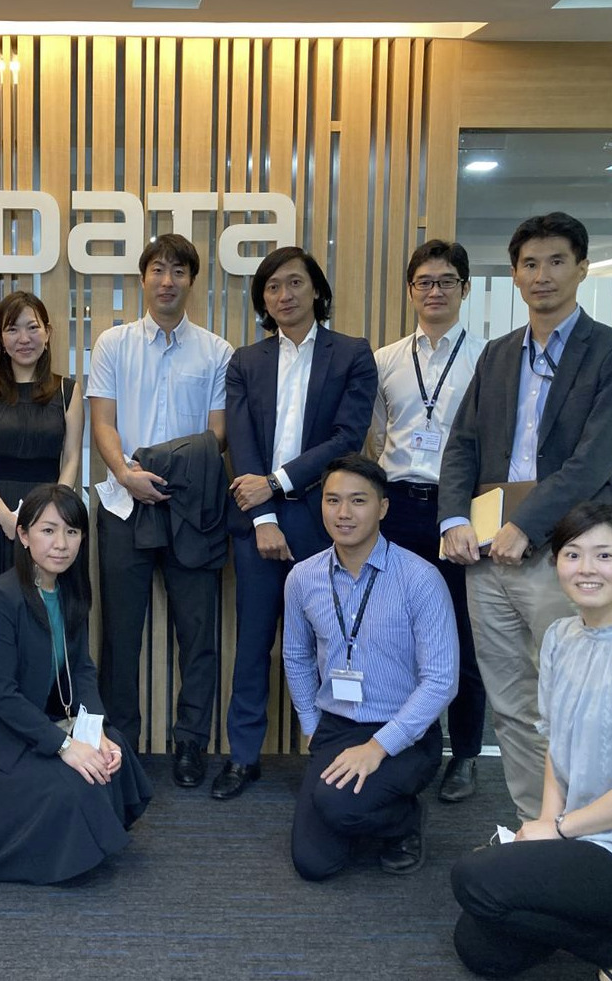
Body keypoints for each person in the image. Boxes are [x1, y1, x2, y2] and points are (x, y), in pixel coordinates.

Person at [439, 212, 612, 820]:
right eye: (530, 264)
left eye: (557, 261)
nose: (542, 275)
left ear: (582, 269)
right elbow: (462, 445)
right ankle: (537, 826)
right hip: (487, 555)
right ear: (515, 274)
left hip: (566, 552)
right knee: (510, 703)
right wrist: (453, 519)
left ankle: (586, 829)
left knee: (573, 701)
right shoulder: (498, 354)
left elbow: (592, 462)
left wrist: (527, 524)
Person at [452, 503, 612, 981]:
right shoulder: (561, 637)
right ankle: (599, 924)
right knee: (481, 949)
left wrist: (559, 831)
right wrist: (545, 825)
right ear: (556, 564)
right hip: (582, 836)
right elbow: (556, 744)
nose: (587, 568)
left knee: (473, 879)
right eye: (572, 555)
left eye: (604, 556)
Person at [0, 484, 153, 883]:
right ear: (24, 535)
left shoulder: (70, 591)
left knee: (112, 752)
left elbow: (81, 669)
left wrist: (93, 732)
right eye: (48, 530)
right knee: (70, 787)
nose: (61, 544)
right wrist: (65, 745)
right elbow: (1, 695)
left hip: (35, 723)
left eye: (72, 531)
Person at [216, 247, 377, 800]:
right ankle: (243, 757)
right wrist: (263, 514)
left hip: (324, 518)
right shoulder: (245, 361)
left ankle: (333, 754)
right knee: (253, 643)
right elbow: (241, 442)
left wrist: (277, 482)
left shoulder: (351, 354)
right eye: (272, 287)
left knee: (332, 643)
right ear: (262, 300)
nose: (283, 295)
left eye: (294, 283)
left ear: (316, 290)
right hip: (256, 520)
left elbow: (346, 438)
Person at [88, 232, 233, 787]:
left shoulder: (217, 351)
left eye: (178, 270)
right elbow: (103, 423)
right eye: (157, 269)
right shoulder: (113, 343)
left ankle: (190, 742)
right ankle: (120, 742)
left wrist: (169, 471)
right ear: (143, 278)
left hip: (192, 507)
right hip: (124, 503)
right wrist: (127, 474)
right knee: (119, 635)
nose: (167, 280)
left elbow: (217, 434)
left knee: (197, 634)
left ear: (192, 280)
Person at [284, 454, 458, 880]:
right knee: (314, 864)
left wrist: (378, 747)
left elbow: (441, 681)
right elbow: (296, 655)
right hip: (336, 726)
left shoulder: (420, 578)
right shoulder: (303, 577)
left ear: (383, 507)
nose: (343, 513)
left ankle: (404, 822)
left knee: (339, 805)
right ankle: (362, 811)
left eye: (358, 500)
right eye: (332, 500)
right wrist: (310, 724)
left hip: (405, 730)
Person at [370, 239, 487, 803]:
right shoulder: (386, 359)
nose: (434, 291)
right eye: (424, 282)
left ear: (465, 288)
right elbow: (375, 434)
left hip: (460, 509)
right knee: (398, 633)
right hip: (397, 506)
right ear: (410, 290)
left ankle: (464, 753)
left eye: (446, 281)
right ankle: (407, 744)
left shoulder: (489, 358)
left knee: (463, 635)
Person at [0, 291, 84, 708]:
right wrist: (8, 519)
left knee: (43, 617)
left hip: (48, 519)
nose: (24, 338)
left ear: (48, 332)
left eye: (32, 327)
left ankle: (47, 720)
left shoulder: (68, 390)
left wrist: (53, 522)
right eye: (12, 329)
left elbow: (72, 459)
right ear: (0, 338)